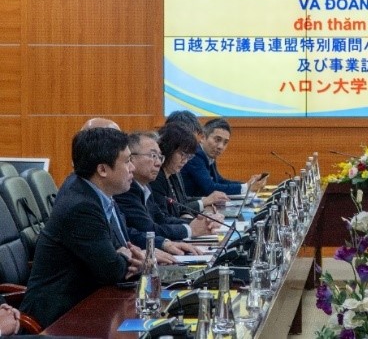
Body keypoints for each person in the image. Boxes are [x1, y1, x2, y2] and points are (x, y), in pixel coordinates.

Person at [19, 128, 146, 328]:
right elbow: (112, 270)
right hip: (59, 318)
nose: (132, 168)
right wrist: (128, 258)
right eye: (127, 161)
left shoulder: (100, 196)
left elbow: (119, 254)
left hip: (89, 304)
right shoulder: (81, 206)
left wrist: (130, 258)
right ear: (102, 170)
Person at [115, 131, 215, 244]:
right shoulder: (126, 190)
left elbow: (161, 219)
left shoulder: (145, 186)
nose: (158, 163)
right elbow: (149, 230)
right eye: (153, 156)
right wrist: (190, 230)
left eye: (160, 157)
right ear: (131, 158)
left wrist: (197, 223)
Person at [150, 123, 226, 220]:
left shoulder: (174, 173)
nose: (185, 160)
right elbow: (164, 218)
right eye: (182, 154)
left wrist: (190, 213)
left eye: (188, 156)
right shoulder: (156, 178)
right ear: (169, 150)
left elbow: (182, 203)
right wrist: (190, 221)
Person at [181, 117, 265, 197]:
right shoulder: (195, 155)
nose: (220, 146)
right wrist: (246, 187)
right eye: (217, 140)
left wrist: (248, 184)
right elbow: (210, 188)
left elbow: (219, 180)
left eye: (225, 142)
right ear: (203, 137)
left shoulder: (209, 154)